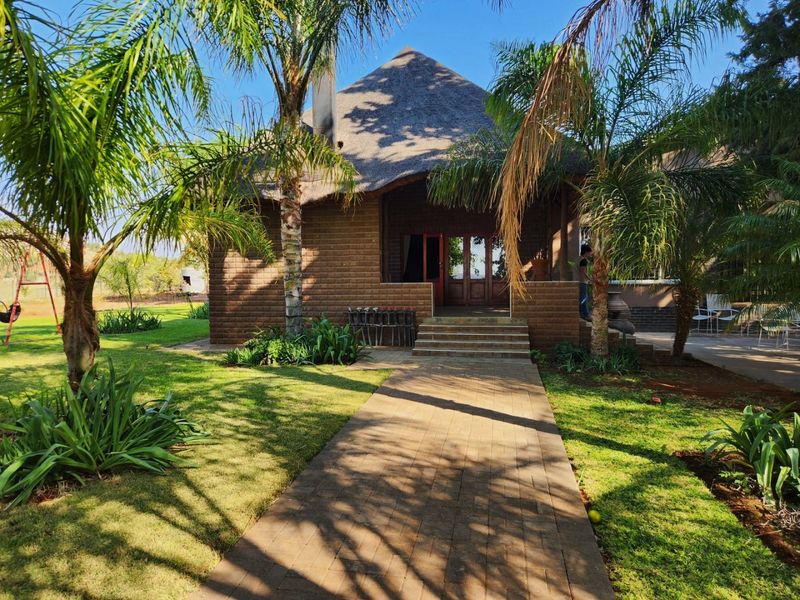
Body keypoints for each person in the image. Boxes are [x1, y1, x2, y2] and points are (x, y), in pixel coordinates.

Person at [579, 244, 592, 320]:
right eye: (590, 252)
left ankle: (584, 313)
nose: (590, 254)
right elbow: (583, 271)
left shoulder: (579, 259)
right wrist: (590, 279)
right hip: (582, 282)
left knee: (582, 297)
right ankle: (585, 314)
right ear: (586, 252)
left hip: (580, 281)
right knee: (584, 298)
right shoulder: (583, 260)